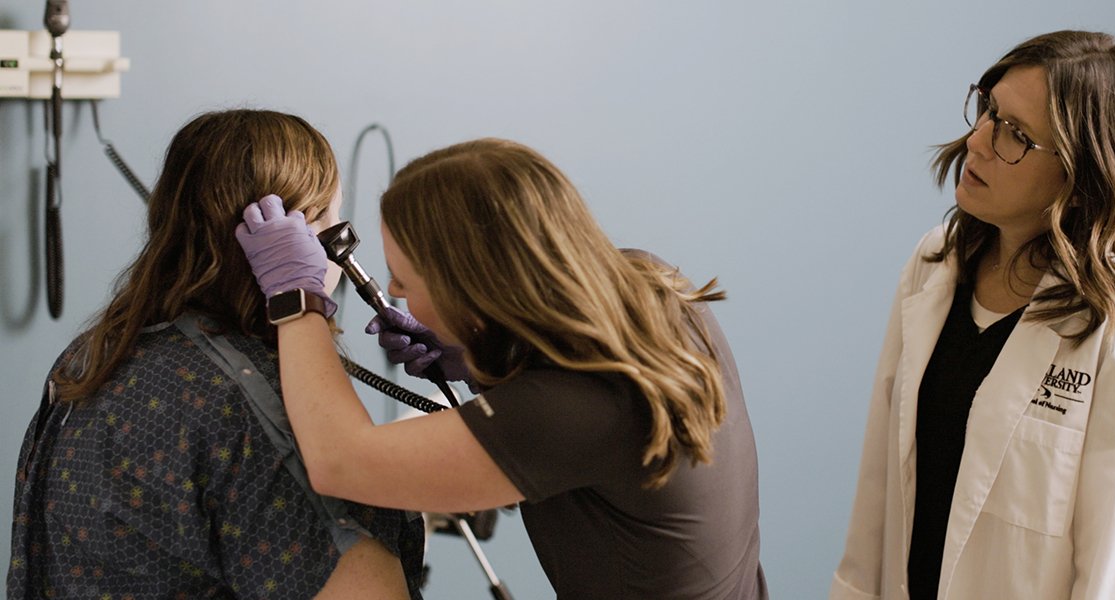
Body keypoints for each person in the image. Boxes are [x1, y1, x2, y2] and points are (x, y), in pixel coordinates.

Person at [233, 137, 768, 598]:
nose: (391, 290)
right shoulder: (648, 286)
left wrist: (296, 298)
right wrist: (485, 359)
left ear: (469, 286)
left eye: (405, 279)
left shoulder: (570, 410)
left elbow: (340, 464)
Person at [830, 30, 1115, 599]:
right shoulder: (934, 265)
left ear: (1082, 179)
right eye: (988, 111)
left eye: (1015, 136)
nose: (977, 141)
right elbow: (878, 502)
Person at [8, 110, 425, 599]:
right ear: (293, 238)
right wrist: (302, 305)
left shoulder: (90, 361)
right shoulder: (269, 408)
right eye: (332, 223)